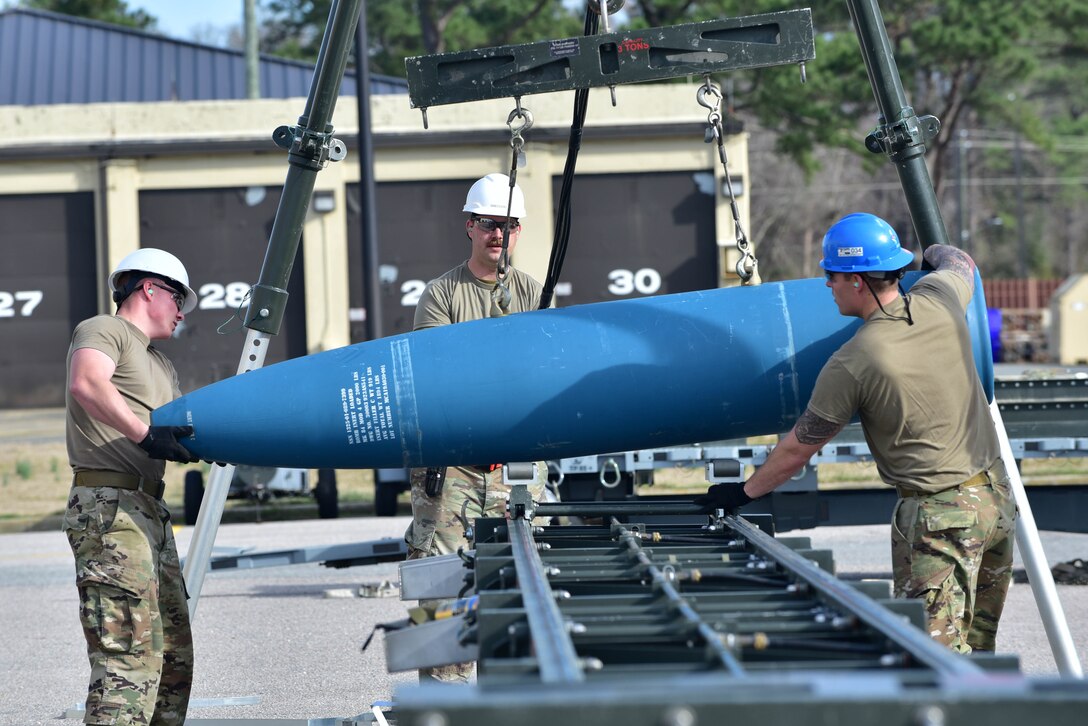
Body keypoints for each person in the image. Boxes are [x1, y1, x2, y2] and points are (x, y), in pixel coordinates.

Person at [697, 213, 1017, 655]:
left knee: (935, 658)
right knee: (980, 649)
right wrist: (930, 254)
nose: (827, 285)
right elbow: (959, 261)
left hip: (939, 517)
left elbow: (797, 449)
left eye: (832, 275)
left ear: (856, 282)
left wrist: (745, 492)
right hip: (995, 501)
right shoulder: (939, 296)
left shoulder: (856, 360)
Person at [404, 173, 551, 682]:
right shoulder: (442, 295)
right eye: (488, 224)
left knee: (526, 590)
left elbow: (549, 375)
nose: (498, 235)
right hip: (454, 471)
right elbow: (439, 372)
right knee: (444, 598)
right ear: (470, 226)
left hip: (517, 470)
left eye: (508, 226)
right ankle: (443, 708)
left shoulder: (536, 296)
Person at [64, 247, 200, 725]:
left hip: (148, 508)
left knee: (173, 659)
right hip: (110, 507)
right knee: (126, 659)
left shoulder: (161, 365)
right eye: (179, 297)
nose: (183, 310)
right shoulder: (103, 329)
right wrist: (145, 434)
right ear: (149, 288)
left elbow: (186, 426)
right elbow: (87, 383)